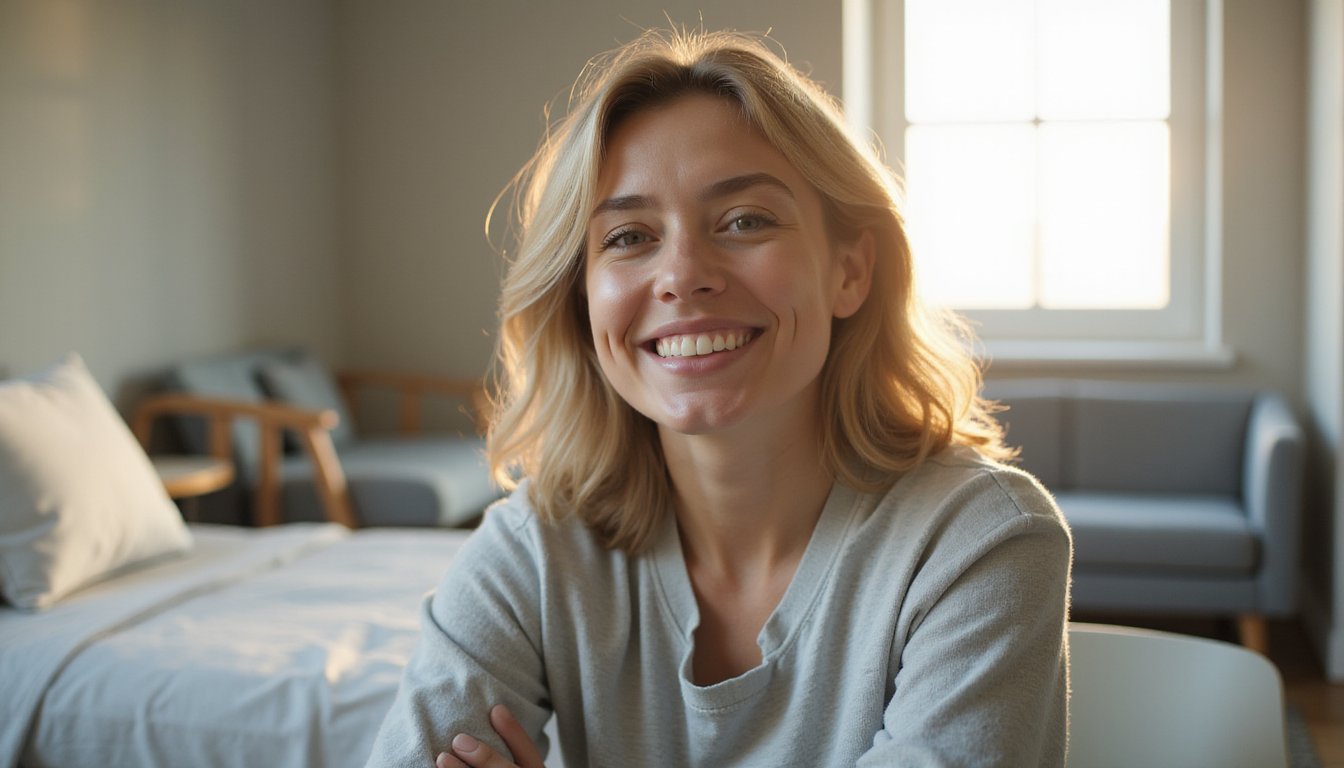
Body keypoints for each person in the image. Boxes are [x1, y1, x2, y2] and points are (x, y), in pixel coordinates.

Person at [366, 27, 1071, 768]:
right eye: (629, 236)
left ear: (850, 271)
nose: (682, 275)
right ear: (581, 298)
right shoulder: (536, 550)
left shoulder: (980, 541)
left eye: (745, 221)